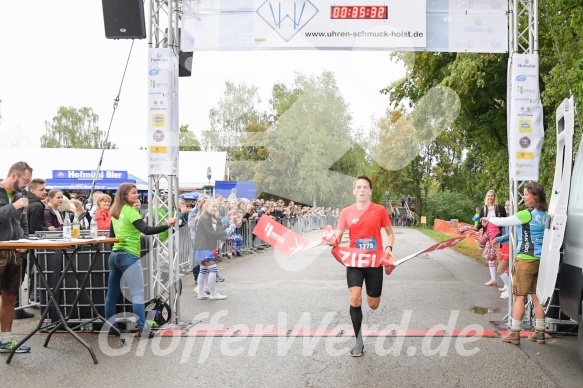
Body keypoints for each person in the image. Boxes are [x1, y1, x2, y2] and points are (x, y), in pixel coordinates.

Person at [328, 175, 395, 357]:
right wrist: (331, 239)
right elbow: (339, 236)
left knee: (373, 304)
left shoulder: (380, 210)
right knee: (355, 297)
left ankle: (372, 296)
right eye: (358, 187)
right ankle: (358, 342)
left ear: (371, 191)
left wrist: (388, 247)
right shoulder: (346, 212)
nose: (362, 190)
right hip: (355, 261)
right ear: (354, 191)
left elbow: (390, 234)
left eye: (365, 187)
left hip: (374, 262)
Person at [105, 183, 176, 338]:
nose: (137, 195)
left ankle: (111, 327)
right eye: (134, 193)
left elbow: (111, 236)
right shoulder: (131, 212)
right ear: (125, 195)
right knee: (137, 294)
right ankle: (143, 328)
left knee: (112, 294)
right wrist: (167, 225)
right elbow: (146, 230)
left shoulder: (115, 211)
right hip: (129, 256)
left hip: (115, 255)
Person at [481, 182, 548, 345]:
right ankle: (540, 332)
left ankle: (514, 333)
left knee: (519, 297)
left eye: (526, 194)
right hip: (540, 259)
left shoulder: (527, 214)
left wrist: (488, 218)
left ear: (534, 196)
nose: (523, 197)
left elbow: (504, 221)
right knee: (536, 296)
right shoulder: (546, 213)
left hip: (525, 259)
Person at [0, 161, 32, 353]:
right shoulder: (14, 198)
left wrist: (25, 243)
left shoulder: (21, 195)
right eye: (25, 180)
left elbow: (24, 224)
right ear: (14, 176)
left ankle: (6, 340)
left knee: (10, 296)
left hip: (15, 252)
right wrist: (14, 206)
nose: (26, 185)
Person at [193, 198, 231, 300]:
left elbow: (215, 230)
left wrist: (225, 232)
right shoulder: (205, 218)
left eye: (216, 206)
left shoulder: (207, 217)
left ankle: (201, 292)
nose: (215, 208)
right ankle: (213, 294)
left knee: (203, 270)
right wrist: (225, 237)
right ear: (207, 207)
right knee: (213, 269)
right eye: (213, 206)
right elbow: (211, 233)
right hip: (204, 246)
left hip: (202, 246)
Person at [476, 190, 507, 286]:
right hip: (488, 235)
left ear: (494, 197)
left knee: (501, 259)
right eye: (489, 196)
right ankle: (493, 279)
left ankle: (507, 284)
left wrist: (501, 235)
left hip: (499, 235)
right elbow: (481, 222)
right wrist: (476, 228)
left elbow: (505, 221)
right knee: (490, 257)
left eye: (492, 196)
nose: (490, 198)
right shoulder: (484, 209)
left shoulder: (500, 208)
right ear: (487, 197)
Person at [493, 200, 511, 299]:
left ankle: (510, 289)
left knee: (500, 270)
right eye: (506, 205)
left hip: (509, 246)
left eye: (509, 205)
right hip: (505, 245)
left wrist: (497, 239)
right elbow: (503, 232)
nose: (507, 207)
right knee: (507, 269)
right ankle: (509, 288)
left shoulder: (513, 219)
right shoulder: (507, 218)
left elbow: (510, 234)